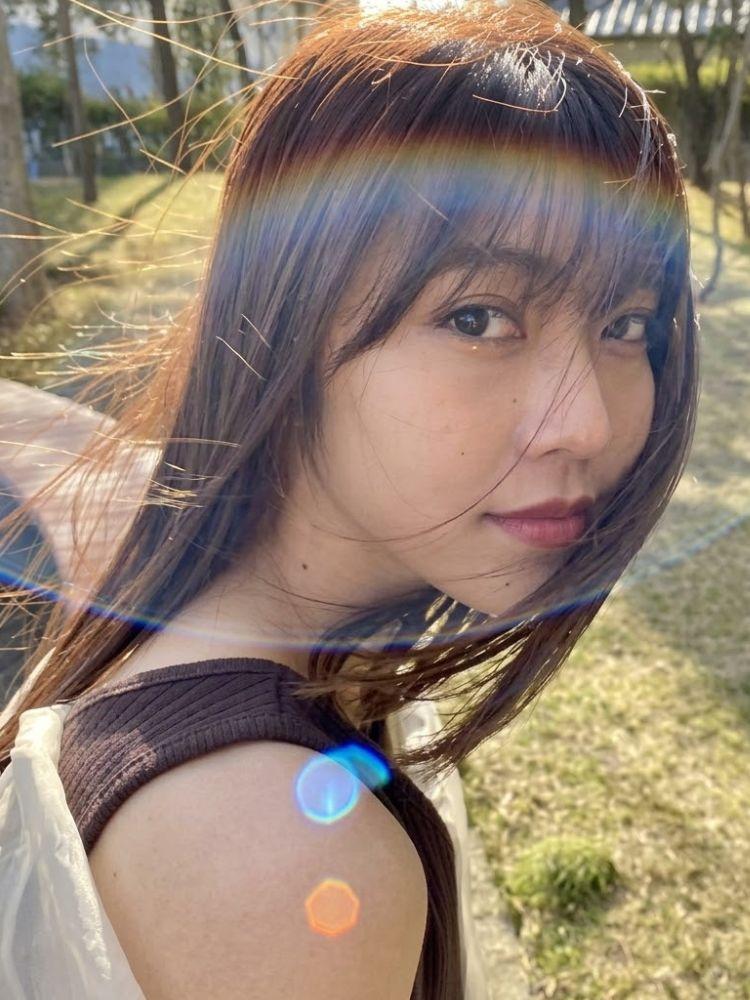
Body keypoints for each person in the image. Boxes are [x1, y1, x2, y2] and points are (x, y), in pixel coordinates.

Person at [0, 0, 698, 997]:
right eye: (479, 316)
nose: (587, 423)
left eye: (627, 323)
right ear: (282, 323)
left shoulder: (180, 583)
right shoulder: (281, 860)